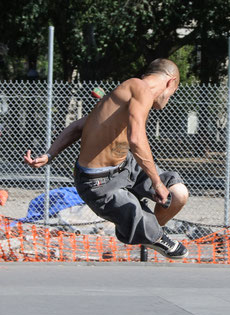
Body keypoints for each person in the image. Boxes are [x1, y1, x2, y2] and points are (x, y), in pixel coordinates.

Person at [24, 58, 189, 259]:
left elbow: (78, 126)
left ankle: (147, 230)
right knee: (173, 247)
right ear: (170, 82)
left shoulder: (121, 96)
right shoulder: (140, 88)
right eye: (172, 93)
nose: (169, 99)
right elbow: (136, 139)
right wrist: (156, 183)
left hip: (126, 165)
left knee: (178, 194)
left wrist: (50, 154)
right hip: (98, 182)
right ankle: (147, 232)